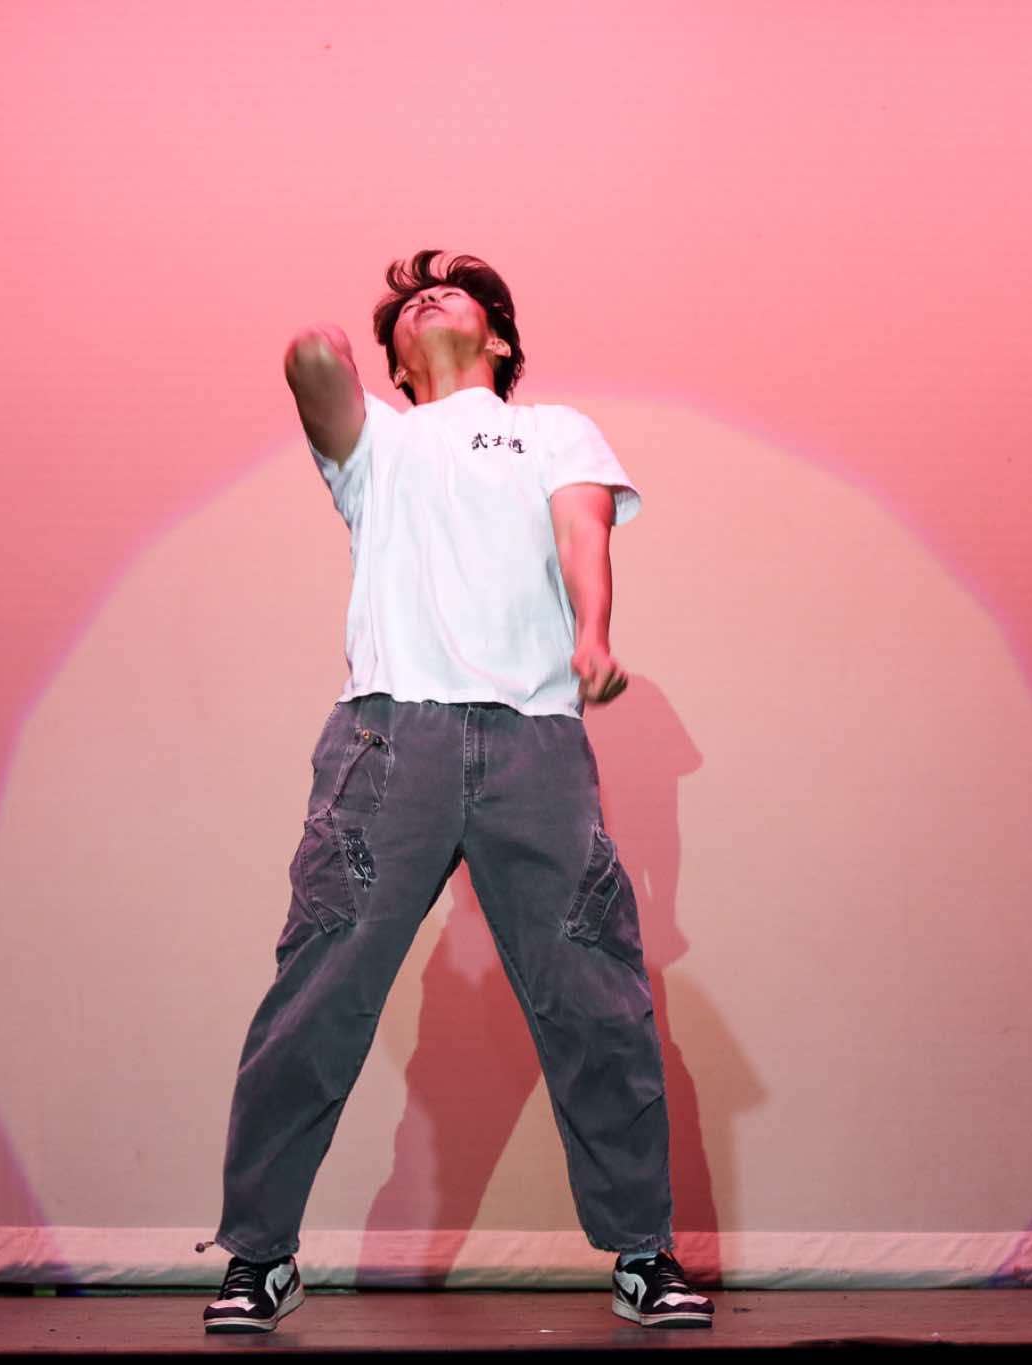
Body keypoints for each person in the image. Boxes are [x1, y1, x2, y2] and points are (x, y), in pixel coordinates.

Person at [199, 250, 713, 1333]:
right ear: (392, 361)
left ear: (501, 338)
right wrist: (337, 348)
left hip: (535, 738)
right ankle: (257, 1256)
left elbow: (580, 527)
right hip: (389, 737)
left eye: (454, 292)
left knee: (596, 999)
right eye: (408, 305)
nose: (430, 299)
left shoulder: (552, 429)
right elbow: (311, 363)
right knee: (320, 990)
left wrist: (591, 634)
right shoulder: (378, 445)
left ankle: (643, 1250)